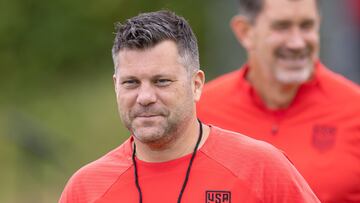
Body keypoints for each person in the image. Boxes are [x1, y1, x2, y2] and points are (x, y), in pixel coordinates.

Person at [59, 10, 320, 203]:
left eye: (161, 81)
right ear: (116, 85)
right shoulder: (86, 189)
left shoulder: (261, 169)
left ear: (196, 85)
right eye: (131, 83)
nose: (145, 96)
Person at [197, 0, 360, 202]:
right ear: (245, 32)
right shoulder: (200, 112)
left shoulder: (354, 110)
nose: (297, 43)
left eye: (307, 26)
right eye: (281, 27)